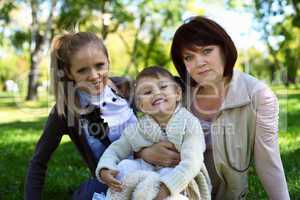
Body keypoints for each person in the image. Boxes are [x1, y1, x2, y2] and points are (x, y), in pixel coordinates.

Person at [168, 16, 290, 199]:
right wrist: (145, 151)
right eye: (189, 57)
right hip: (174, 191)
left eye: (207, 51)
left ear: (224, 50)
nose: (199, 63)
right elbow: (142, 134)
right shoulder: (176, 93)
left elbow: (268, 162)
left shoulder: (258, 96)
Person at [24, 32, 137, 200]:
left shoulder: (125, 88)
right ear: (69, 73)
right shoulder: (65, 110)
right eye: (82, 70)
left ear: (108, 61)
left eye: (100, 65)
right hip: (109, 184)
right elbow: (38, 162)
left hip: (147, 170)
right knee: (88, 193)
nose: (93, 75)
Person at [95, 66, 211, 200]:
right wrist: (105, 169)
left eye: (163, 87)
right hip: (146, 180)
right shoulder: (138, 129)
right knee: (124, 166)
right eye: (148, 91)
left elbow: (192, 162)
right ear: (141, 105)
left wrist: (166, 188)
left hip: (179, 180)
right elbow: (116, 149)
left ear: (177, 93)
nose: (156, 93)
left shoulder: (189, 124)